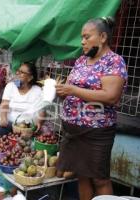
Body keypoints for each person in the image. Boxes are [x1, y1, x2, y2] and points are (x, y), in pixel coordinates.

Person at [55, 17, 128, 200]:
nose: (82, 41)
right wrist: (62, 91)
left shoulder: (114, 62)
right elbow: (72, 89)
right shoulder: (81, 61)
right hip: (73, 130)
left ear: (102, 37)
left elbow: (111, 96)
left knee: (99, 179)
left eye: (87, 37)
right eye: (82, 37)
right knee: (82, 175)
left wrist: (73, 90)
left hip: (96, 131)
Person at [0, 62, 45, 136]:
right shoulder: (10, 86)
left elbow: (42, 111)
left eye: (22, 72)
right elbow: (4, 104)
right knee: (0, 129)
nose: (17, 73)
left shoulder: (37, 91)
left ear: (30, 78)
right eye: (18, 71)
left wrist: (39, 122)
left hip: (29, 127)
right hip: (11, 124)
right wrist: (3, 118)